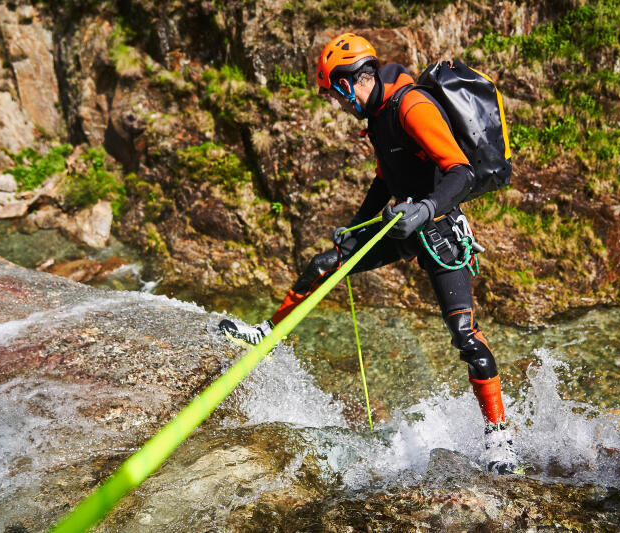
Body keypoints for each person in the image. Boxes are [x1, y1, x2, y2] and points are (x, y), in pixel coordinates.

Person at [219, 33, 521, 475]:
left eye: (336, 94)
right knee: (326, 265)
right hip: (402, 224)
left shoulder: (411, 106)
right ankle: (266, 334)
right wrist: (357, 224)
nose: (338, 105)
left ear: (348, 82)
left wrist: (426, 209)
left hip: (437, 228)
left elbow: (461, 172)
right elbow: (386, 180)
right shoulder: (379, 117)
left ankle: (501, 439)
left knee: (464, 335)